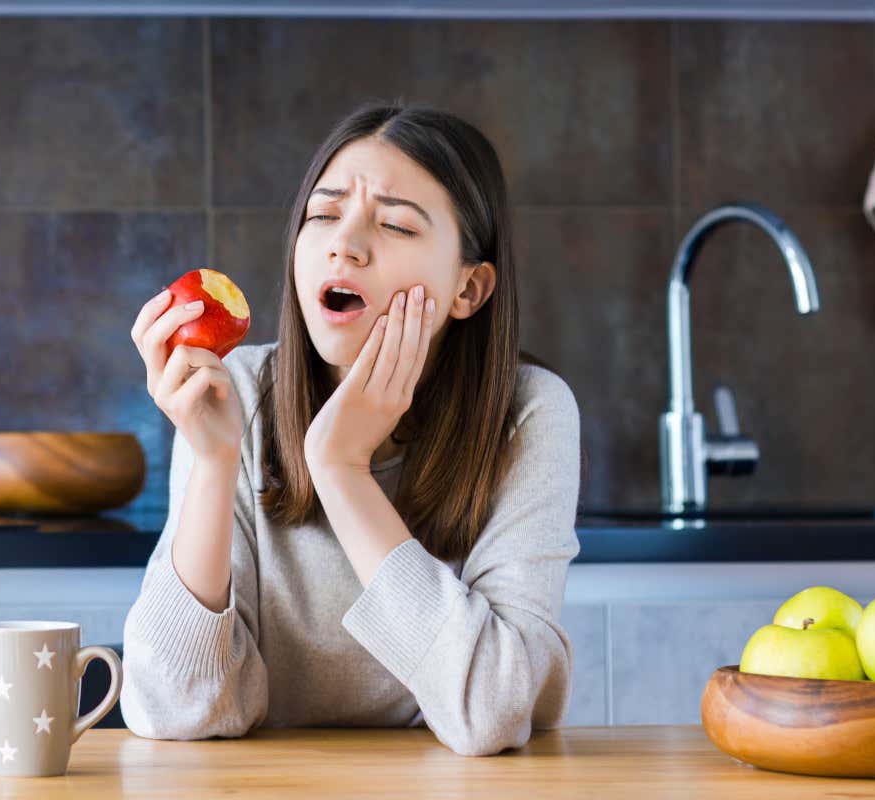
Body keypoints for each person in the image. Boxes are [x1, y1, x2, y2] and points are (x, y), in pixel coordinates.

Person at [123, 100, 583, 757]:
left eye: (394, 224)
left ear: (469, 289)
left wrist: (341, 470)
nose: (346, 242)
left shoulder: (531, 414)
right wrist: (214, 459)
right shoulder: (236, 393)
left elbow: (490, 711)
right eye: (324, 213)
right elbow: (177, 707)